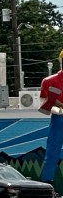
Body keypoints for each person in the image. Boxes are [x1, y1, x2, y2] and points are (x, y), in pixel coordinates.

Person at [39, 50, 63, 182]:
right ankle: (48, 183)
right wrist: (59, 109)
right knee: (52, 152)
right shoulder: (49, 81)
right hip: (59, 119)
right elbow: (44, 106)